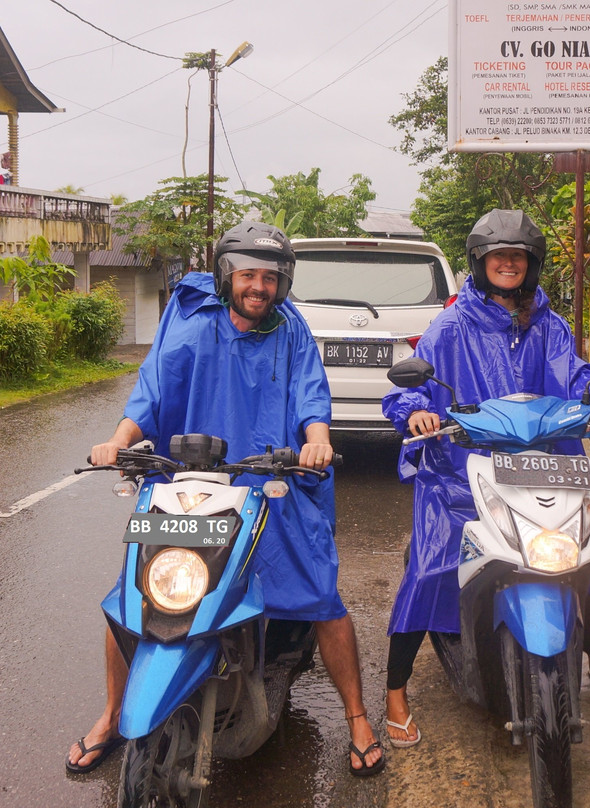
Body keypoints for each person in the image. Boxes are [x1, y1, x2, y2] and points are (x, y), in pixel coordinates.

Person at [66, 222, 385, 777]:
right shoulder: (188, 315)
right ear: (226, 274)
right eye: (248, 275)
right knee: (132, 599)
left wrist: (317, 442)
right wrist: (118, 442)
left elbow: (311, 394)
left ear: (281, 283)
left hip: (269, 484)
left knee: (319, 593)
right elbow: (154, 388)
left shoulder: (291, 328)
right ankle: (115, 714)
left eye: (269, 277)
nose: (258, 287)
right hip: (188, 485)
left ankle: (357, 717)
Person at [381, 209, 590, 748]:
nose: (507, 264)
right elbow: (408, 389)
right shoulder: (451, 326)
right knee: (430, 564)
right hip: (462, 472)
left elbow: (577, 372)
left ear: (531, 264)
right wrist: (416, 413)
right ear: (479, 262)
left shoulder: (548, 323)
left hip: (545, 462)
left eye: (517, 256)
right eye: (498, 256)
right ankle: (395, 690)